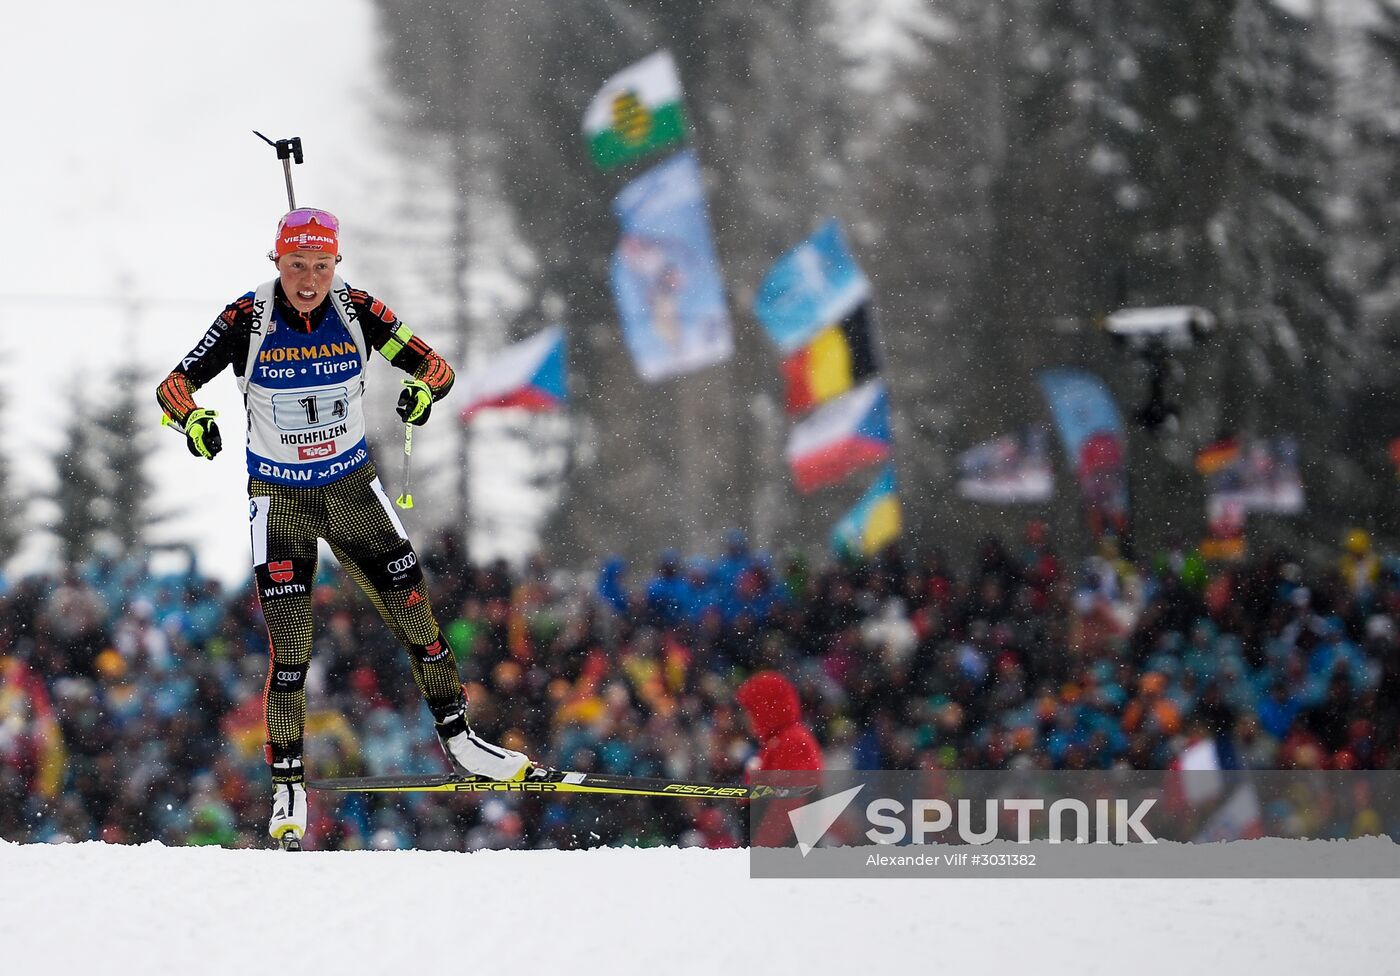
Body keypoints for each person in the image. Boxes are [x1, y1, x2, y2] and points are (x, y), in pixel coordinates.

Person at [156, 207, 538, 849]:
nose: (310, 280)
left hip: (351, 489)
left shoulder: (358, 311)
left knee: (418, 618)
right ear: (275, 262)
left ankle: (463, 743)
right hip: (280, 499)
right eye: (297, 265)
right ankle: (287, 788)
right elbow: (172, 388)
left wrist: (424, 394)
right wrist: (193, 422)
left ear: (337, 266)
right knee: (291, 655)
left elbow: (435, 368)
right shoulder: (246, 320)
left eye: (322, 266)